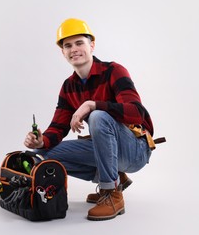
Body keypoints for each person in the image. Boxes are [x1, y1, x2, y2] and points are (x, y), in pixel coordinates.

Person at [24, 18, 158, 221]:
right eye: (67, 45)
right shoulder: (69, 87)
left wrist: (91, 104)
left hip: (135, 149)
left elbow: (136, 112)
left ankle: (111, 193)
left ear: (91, 45)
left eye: (79, 43)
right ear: (63, 52)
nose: (74, 49)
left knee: (98, 116)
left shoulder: (113, 71)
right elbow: (57, 128)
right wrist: (41, 140)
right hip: (108, 150)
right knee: (43, 154)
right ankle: (116, 179)